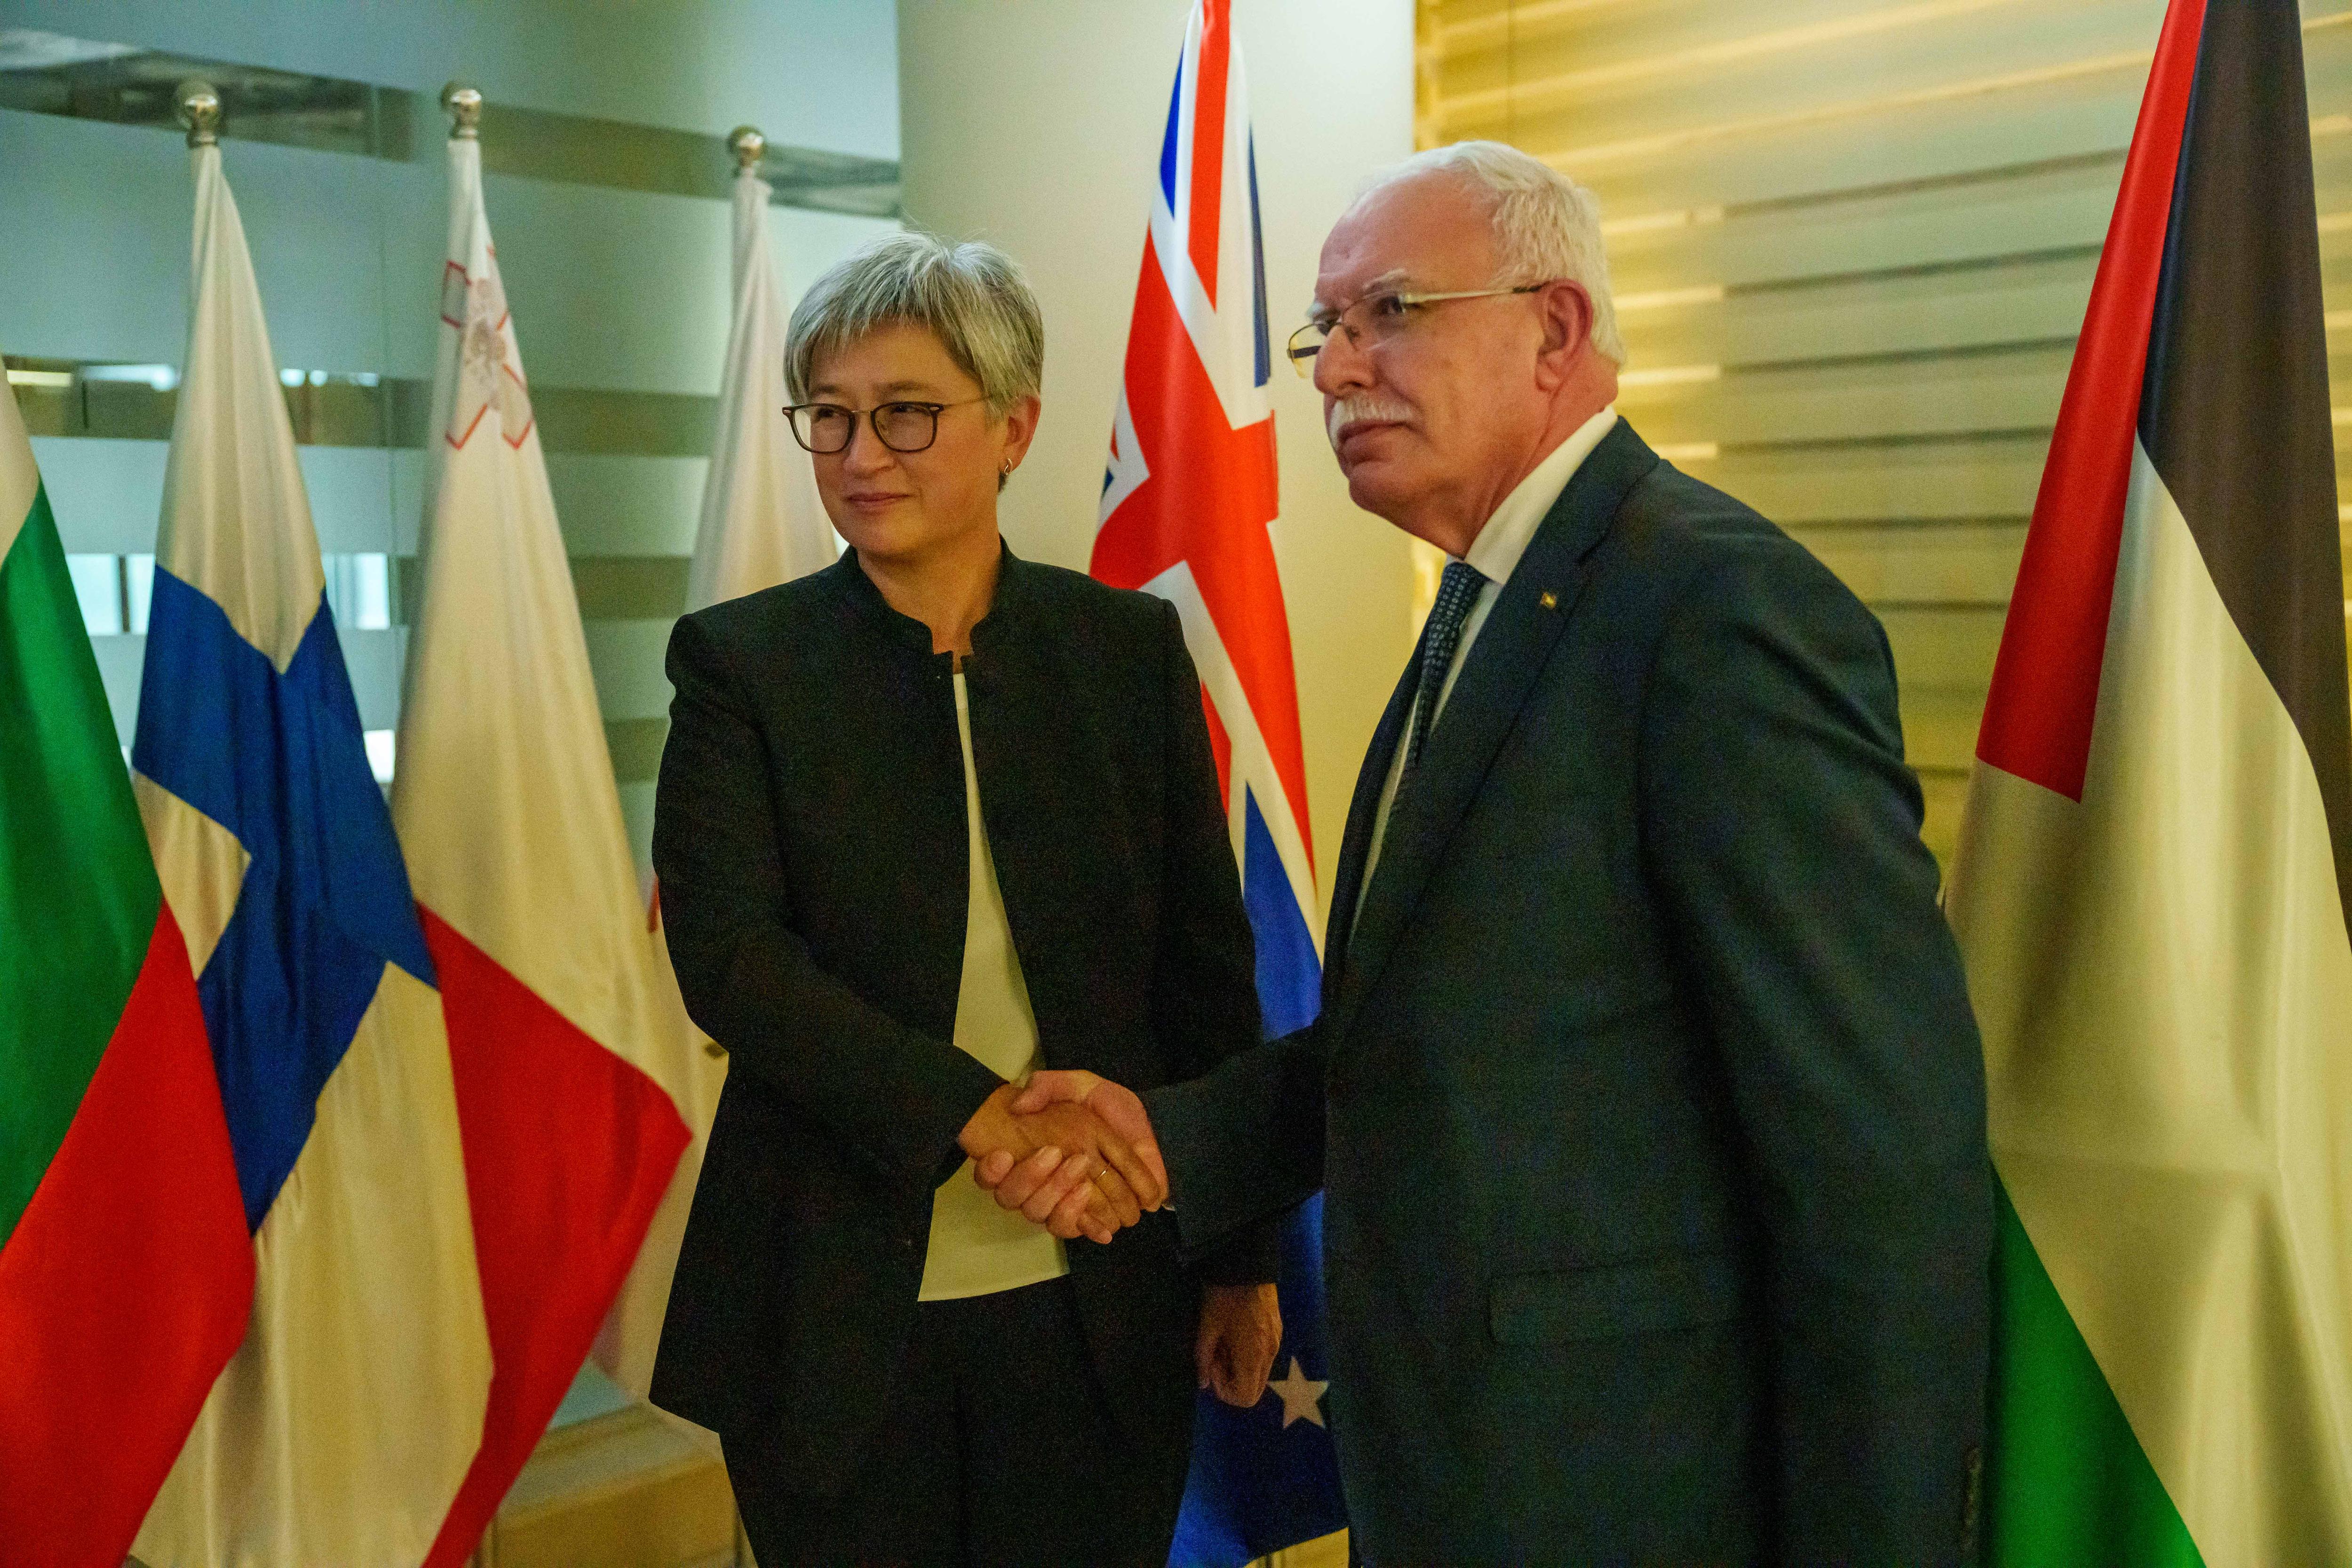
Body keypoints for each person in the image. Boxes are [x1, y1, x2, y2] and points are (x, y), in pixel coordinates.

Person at [981, 141, 1994, 1564]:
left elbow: (1877, 1162)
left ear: (1555, 329)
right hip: (1467, 1474)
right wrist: (1174, 1138)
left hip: (1639, 1495)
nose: (1334, 371)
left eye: (1390, 311)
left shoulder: (1715, 609)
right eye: (1325, 329)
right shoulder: (1481, 607)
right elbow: (1427, 1037)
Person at [648, 231, 1283, 1568]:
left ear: (1015, 428)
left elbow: (1201, 967)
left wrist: (1238, 1251)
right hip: (829, 1306)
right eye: (828, 416)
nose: (859, 455)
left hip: (1101, 1300)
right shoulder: (741, 666)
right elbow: (733, 964)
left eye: (906, 414)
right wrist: (978, 1116)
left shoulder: (1123, 652)